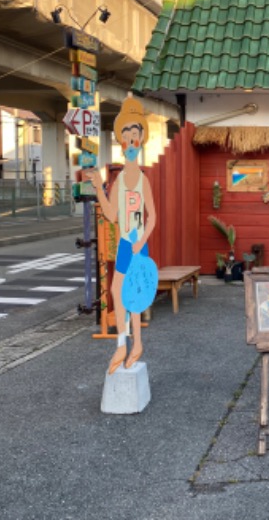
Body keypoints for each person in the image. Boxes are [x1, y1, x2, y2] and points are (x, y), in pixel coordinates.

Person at [90, 96, 156, 374]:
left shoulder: (143, 180)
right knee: (122, 293)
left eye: (135, 136)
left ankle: (129, 344)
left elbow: (153, 216)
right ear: (120, 142)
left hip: (137, 244)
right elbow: (112, 215)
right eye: (126, 137)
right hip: (125, 244)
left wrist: (141, 240)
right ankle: (126, 344)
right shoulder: (118, 181)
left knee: (131, 294)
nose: (130, 142)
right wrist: (97, 188)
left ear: (141, 140)